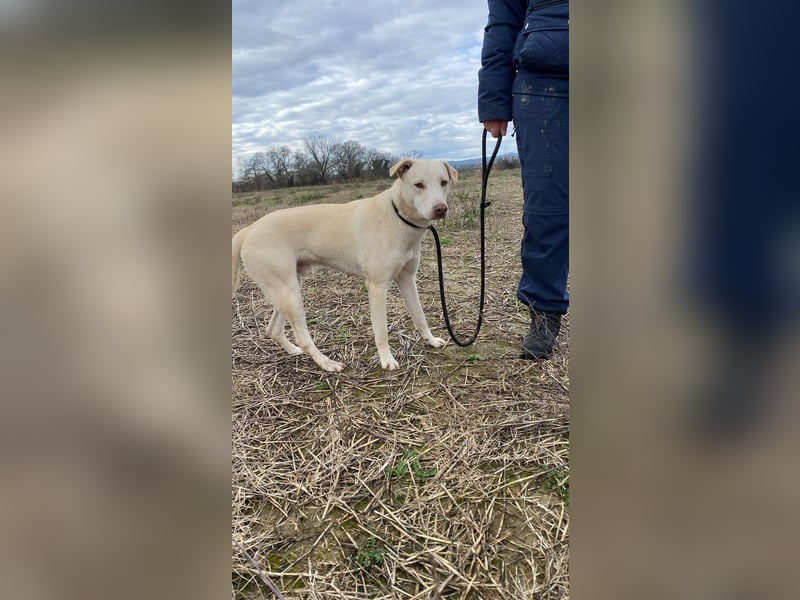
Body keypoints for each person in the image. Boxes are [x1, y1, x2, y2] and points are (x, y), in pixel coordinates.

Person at [478, 0, 569, 360]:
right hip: (542, 87)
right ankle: (544, 310)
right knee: (548, 209)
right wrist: (494, 98)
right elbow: (502, 24)